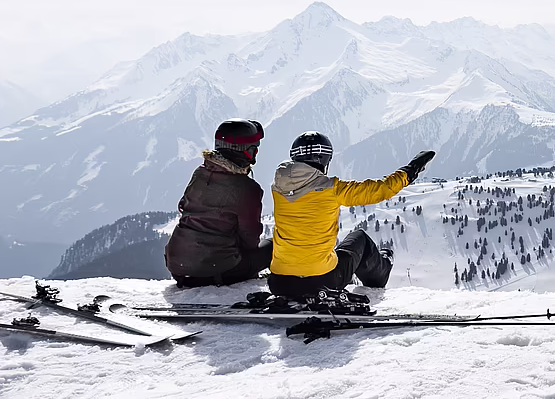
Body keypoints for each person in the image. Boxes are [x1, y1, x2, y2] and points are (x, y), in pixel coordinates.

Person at [268, 131, 435, 299]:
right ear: (324, 159)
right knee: (360, 239)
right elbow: (381, 189)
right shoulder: (333, 189)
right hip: (323, 280)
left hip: (279, 282)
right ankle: (381, 273)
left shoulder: (277, 188)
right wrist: (411, 170)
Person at [164, 119, 273, 287]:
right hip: (214, 271)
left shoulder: (200, 173)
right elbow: (250, 239)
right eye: (254, 148)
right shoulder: (248, 188)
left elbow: (183, 206)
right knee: (273, 246)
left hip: (177, 267)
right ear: (246, 151)